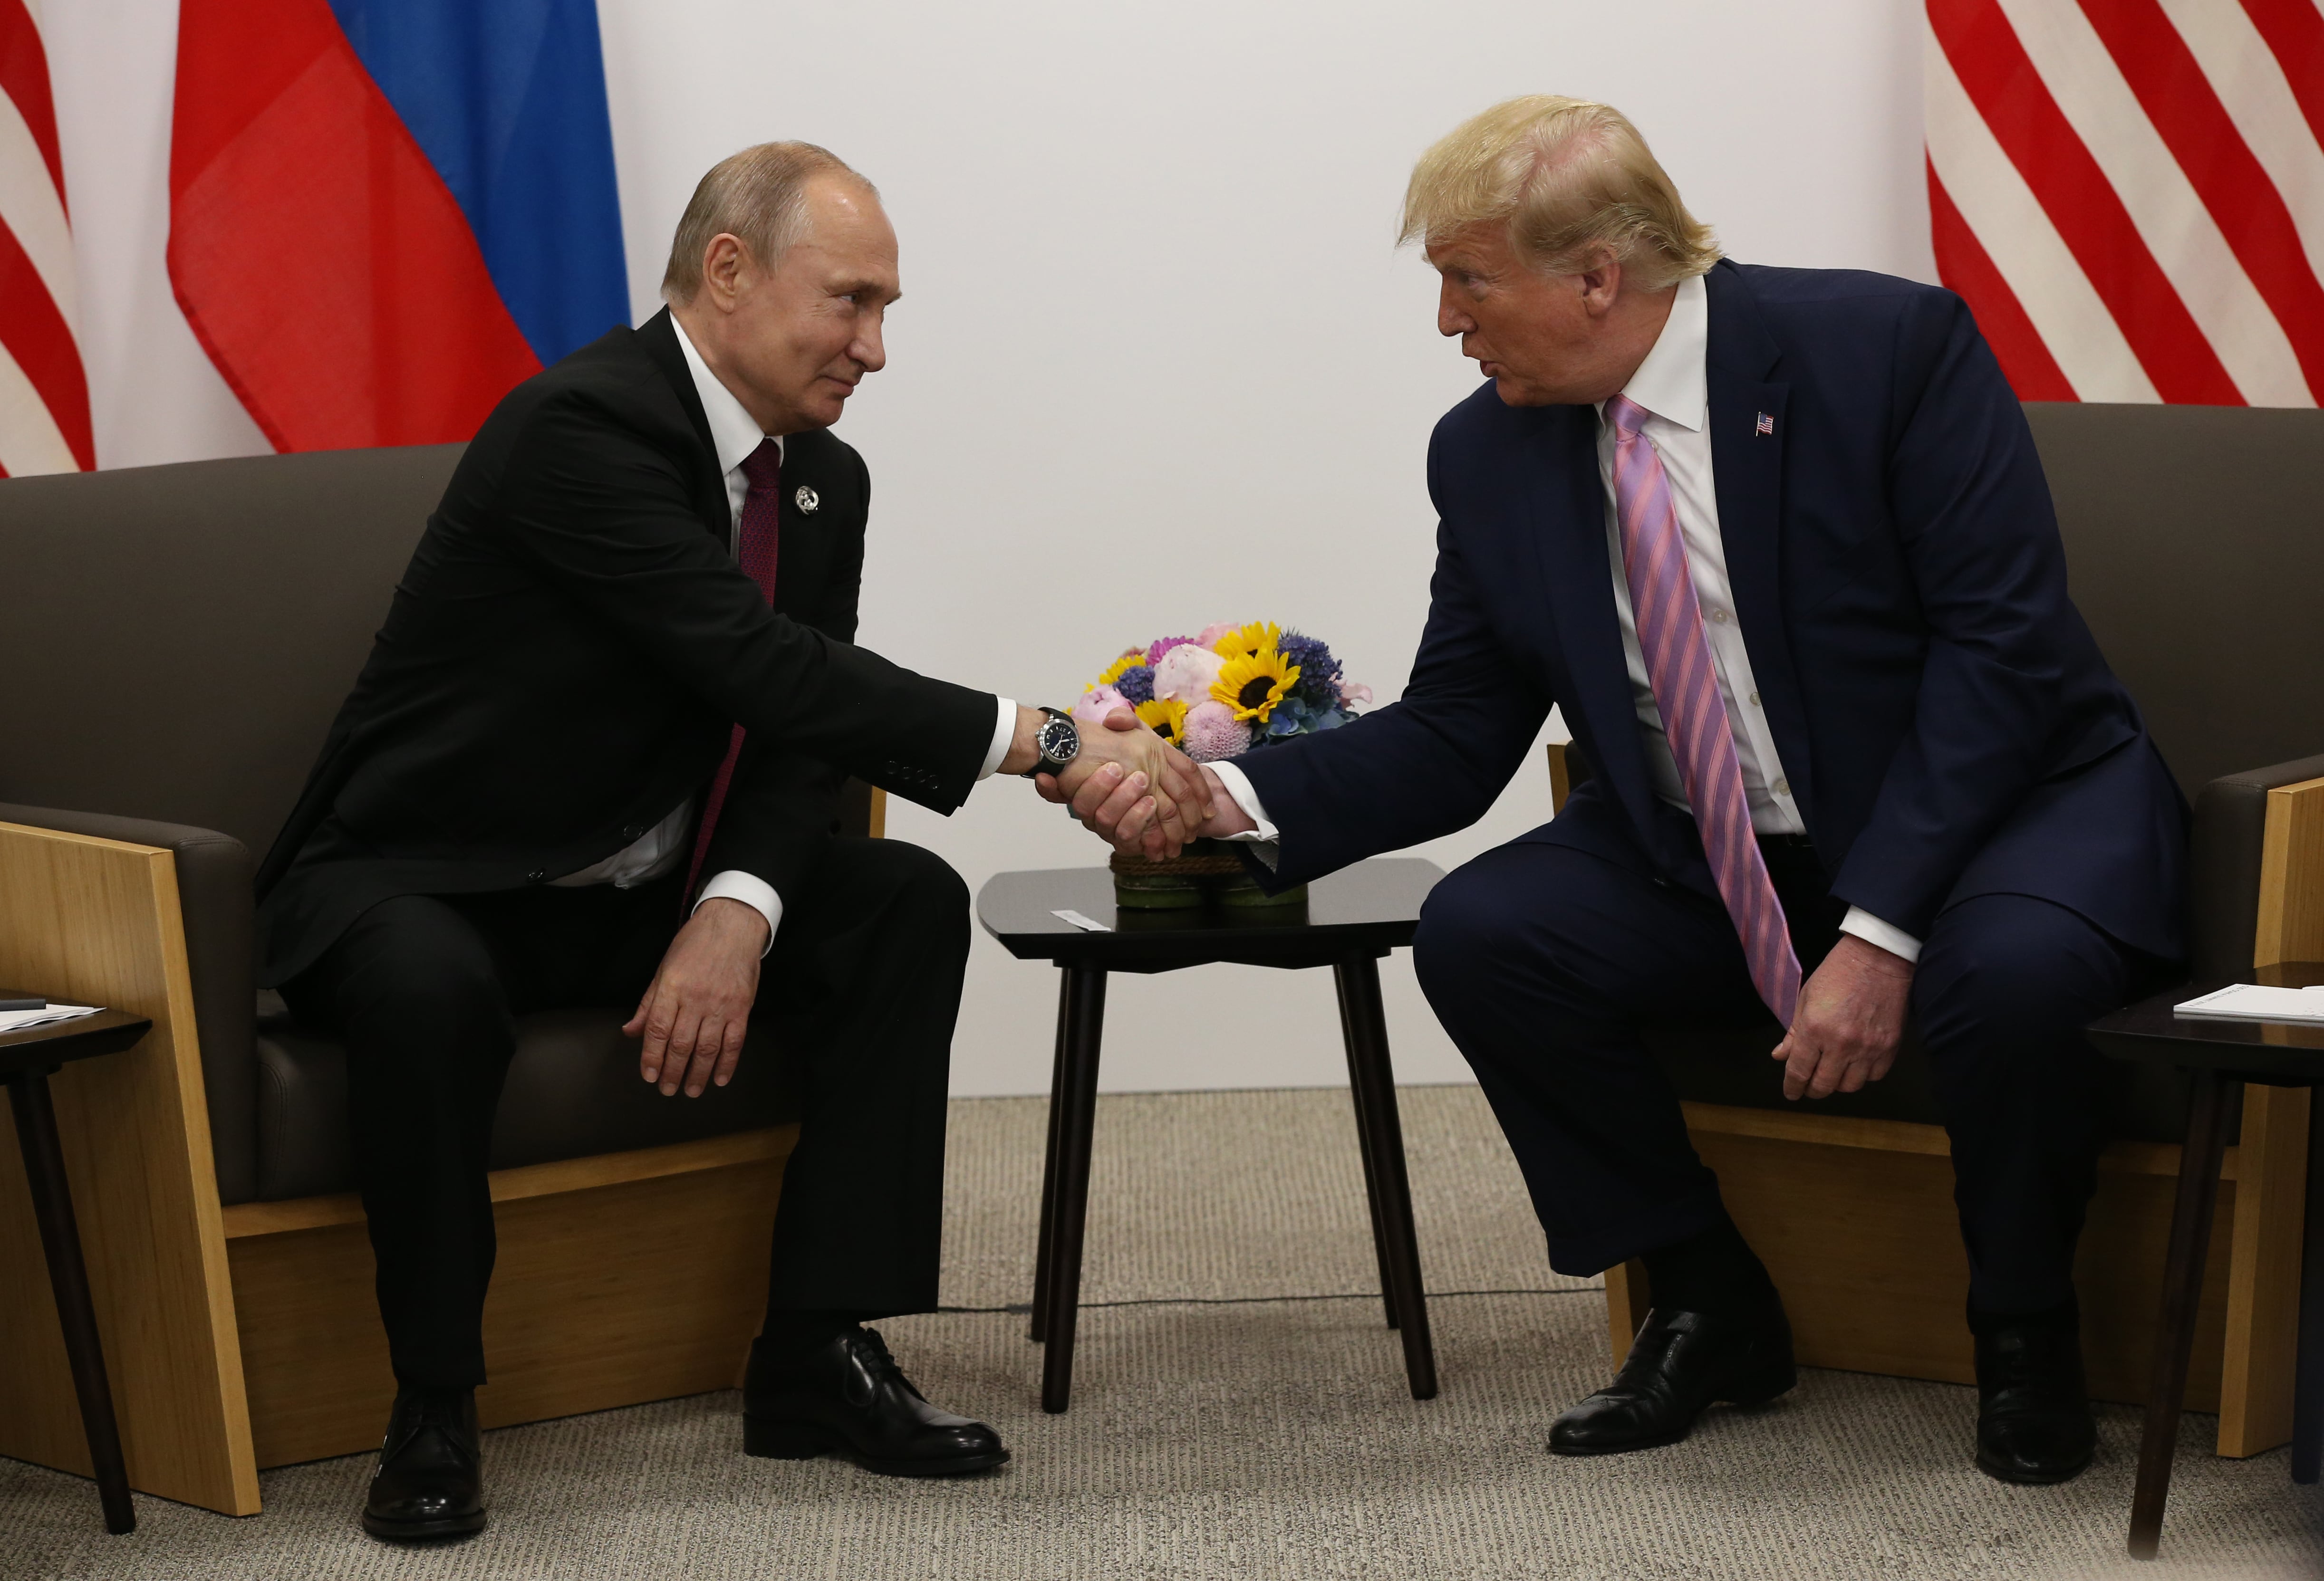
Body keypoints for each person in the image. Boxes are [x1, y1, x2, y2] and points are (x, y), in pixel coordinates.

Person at [1057, 96, 2186, 1485]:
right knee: (1488, 936)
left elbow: (2000, 659)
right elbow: (1463, 728)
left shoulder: (1880, 350)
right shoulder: (1485, 451)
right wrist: (1226, 801)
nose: (1446, 325)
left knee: (2006, 978)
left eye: (1467, 281)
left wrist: (1881, 926)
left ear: (1596, 274)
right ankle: (1707, 1297)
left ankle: (2024, 1329)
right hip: (1725, 852)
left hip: (2003, 815)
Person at [258, 141, 1210, 1542]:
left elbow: (796, 736)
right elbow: (760, 664)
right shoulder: (578, 427)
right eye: (851, 302)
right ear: (727, 271)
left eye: (887, 311)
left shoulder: (820, 482)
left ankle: (815, 1355)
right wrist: (1054, 740)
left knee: (895, 901)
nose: (876, 348)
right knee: (422, 988)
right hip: (429, 872)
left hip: (635, 882)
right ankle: (433, 1406)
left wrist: (741, 907)